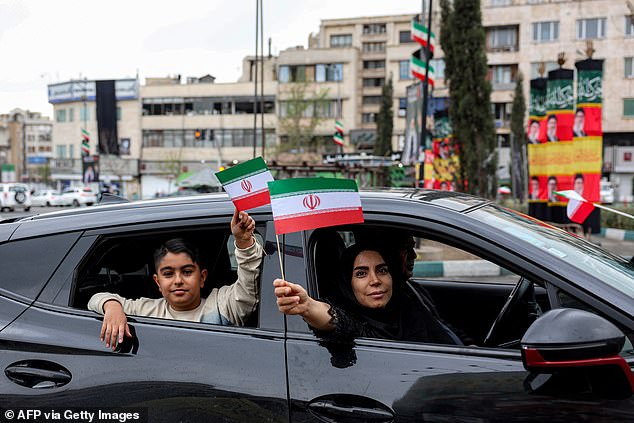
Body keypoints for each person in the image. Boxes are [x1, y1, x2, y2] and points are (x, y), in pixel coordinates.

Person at [88, 209, 262, 349]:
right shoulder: (148, 310)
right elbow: (95, 299)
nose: (178, 280)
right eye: (168, 274)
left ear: (202, 277)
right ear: (158, 282)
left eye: (186, 272)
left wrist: (243, 241)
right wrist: (112, 307)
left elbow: (249, 283)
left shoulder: (223, 304)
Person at [274, 242, 464, 345]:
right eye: (361, 273)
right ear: (348, 284)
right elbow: (336, 319)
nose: (375, 280)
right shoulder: (359, 325)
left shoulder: (408, 305)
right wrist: (307, 306)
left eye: (382, 270)